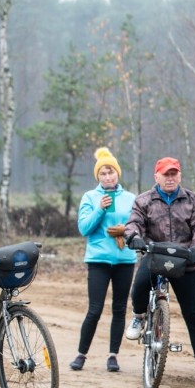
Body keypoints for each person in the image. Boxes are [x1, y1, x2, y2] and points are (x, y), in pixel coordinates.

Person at [123, 157, 195, 386]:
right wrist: (133, 237)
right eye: (166, 174)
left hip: (185, 260)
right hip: (154, 254)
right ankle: (138, 316)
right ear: (157, 176)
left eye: (174, 173)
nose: (170, 178)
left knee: (194, 314)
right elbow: (134, 223)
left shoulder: (192, 200)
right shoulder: (143, 200)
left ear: (180, 175)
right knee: (139, 285)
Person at [69, 147, 137, 373]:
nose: (108, 177)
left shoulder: (131, 199)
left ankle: (112, 356)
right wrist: (99, 209)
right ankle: (81, 354)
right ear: (98, 176)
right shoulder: (90, 197)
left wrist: (125, 231)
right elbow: (84, 228)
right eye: (103, 173)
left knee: (119, 309)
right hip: (98, 260)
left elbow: (137, 227)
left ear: (118, 173)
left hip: (125, 260)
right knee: (95, 309)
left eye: (111, 172)